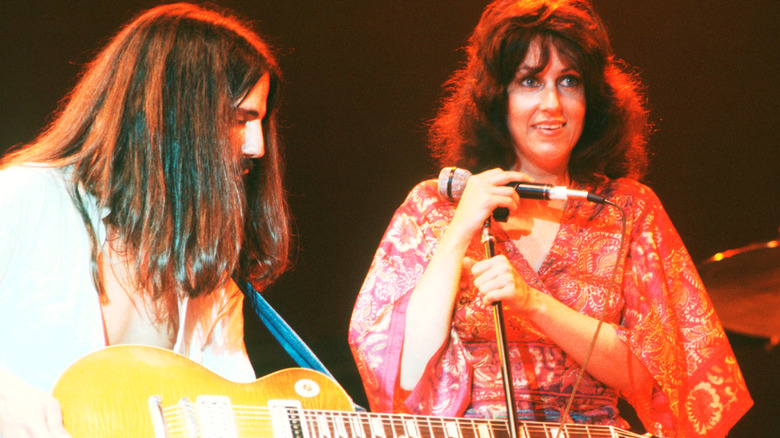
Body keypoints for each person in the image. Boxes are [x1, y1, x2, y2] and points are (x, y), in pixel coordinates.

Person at [348, 1, 752, 437]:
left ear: (591, 98)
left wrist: (533, 303)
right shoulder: (433, 208)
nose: (552, 104)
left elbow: (655, 379)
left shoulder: (628, 209)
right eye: (529, 81)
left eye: (569, 81)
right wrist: (459, 229)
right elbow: (400, 377)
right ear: (495, 95)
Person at [0, 3, 290, 436]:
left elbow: (238, 418)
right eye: (238, 118)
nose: (256, 147)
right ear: (176, 115)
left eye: (260, 123)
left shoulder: (210, 277)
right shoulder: (26, 197)